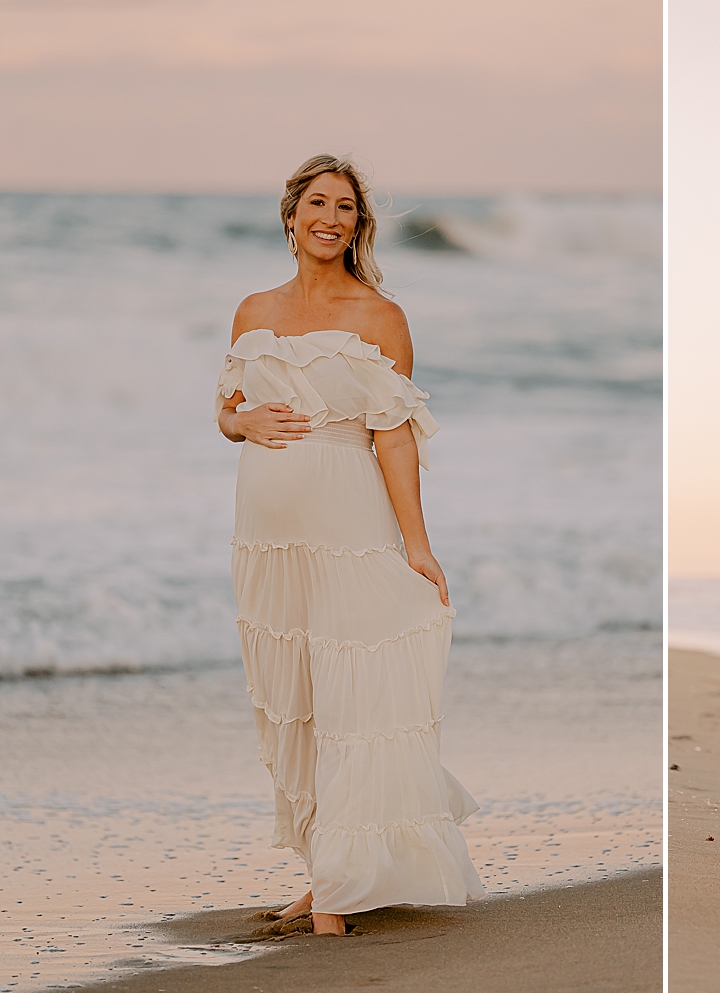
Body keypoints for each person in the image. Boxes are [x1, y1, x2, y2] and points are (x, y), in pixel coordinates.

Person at [216, 155, 484, 937]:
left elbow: (393, 436)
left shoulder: (380, 316)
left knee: (353, 693)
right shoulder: (252, 309)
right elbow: (227, 408)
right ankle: (321, 869)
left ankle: (338, 887)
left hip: (348, 525)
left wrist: (418, 546)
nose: (331, 217)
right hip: (266, 534)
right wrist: (242, 423)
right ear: (291, 215)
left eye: (347, 208)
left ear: (357, 226)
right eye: (318, 203)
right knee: (295, 698)